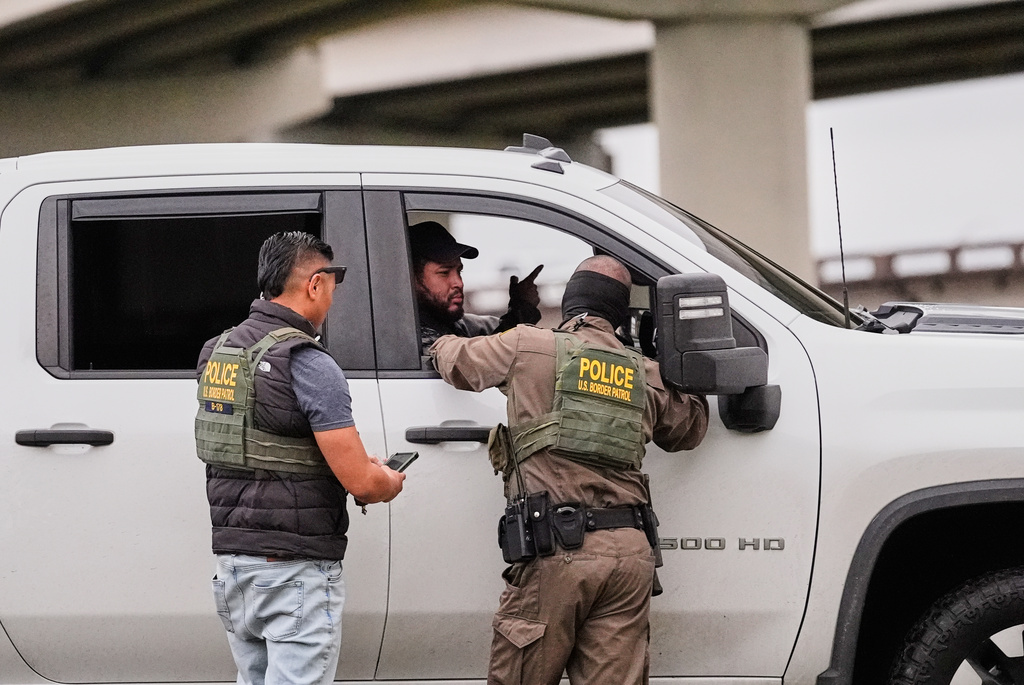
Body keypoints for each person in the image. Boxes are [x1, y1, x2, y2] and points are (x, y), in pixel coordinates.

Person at [430, 255, 709, 685]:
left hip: (557, 551)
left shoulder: (528, 345)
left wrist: (435, 342)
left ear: (571, 299)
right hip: (630, 558)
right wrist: (663, 354)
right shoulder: (645, 373)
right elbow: (689, 428)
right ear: (619, 312)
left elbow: (457, 361)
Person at [195, 231, 405, 685]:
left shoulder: (221, 351)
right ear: (315, 284)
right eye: (335, 280)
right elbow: (363, 484)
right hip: (293, 570)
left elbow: (260, 444)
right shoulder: (306, 360)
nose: (334, 292)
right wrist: (387, 478)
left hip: (233, 567)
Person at [409, 220, 544, 351]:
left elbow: (491, 345)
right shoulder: (409, 336)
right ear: (411, 277)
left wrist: (521, 309)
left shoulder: (454, 324)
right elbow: (479, 361)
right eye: (444, 273)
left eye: (459, 271)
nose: (459, 283)